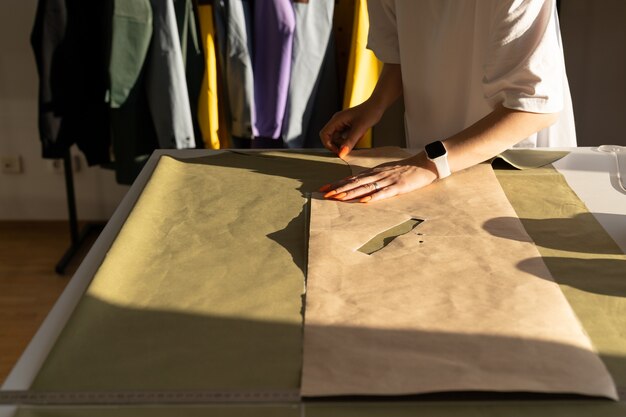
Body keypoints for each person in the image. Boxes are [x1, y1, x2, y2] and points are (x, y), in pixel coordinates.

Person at [319, 0, 575, 203]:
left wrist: (428, 163)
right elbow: (402, 51)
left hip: (510, 160)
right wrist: (374, 106)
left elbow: (533, 109)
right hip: (428, 159)